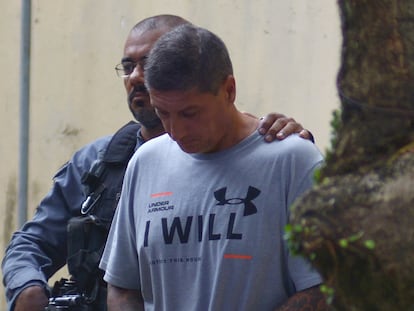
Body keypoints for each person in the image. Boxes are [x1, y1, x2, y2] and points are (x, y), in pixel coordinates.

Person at [1, 15, 314, 311]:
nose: (136, 76)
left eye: (148, 62)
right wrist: (27, 289)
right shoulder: (107, 163)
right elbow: (41, 248)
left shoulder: (283, 153)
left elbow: (328, 285)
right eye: (128, 66)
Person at [100, 23, 327, 311]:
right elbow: (122, 287)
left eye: (190, 113)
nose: (176, 131)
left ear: (229, 90)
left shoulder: (293, 161)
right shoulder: (145, 163)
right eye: (163, 113)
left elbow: (326, 288)